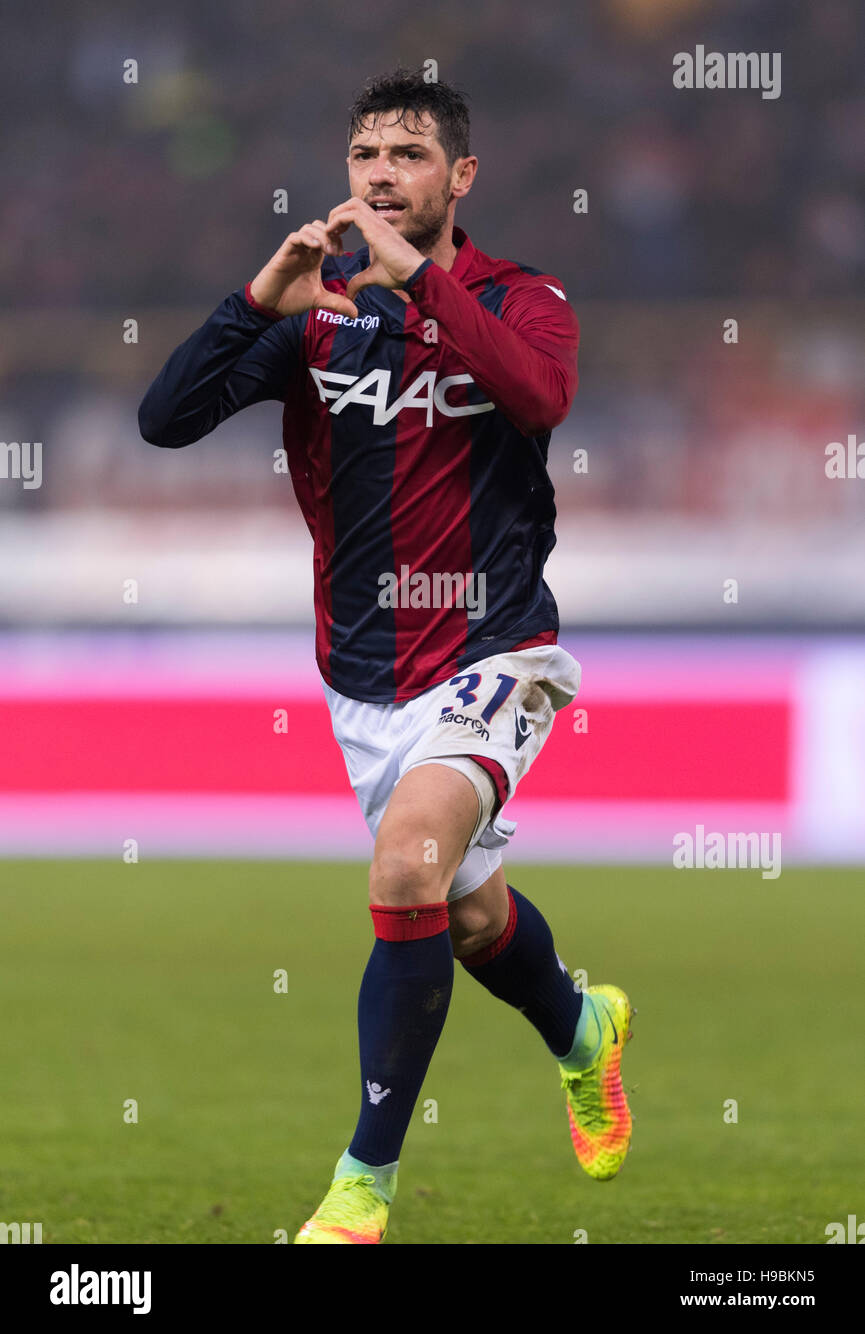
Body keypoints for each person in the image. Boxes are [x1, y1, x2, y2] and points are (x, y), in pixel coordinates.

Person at [138, 66, 634, 1245]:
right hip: (363, 679)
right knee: (465, 922)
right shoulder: (321, 310)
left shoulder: (524, 297)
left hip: (497, 649)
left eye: (407, 155)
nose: (378, 174)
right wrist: (255, 302)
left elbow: (538, 395)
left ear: (458, 177)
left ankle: (361, 1188)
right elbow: (165, 420)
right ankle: (582, 1029)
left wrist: (424, 284)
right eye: (366, 154)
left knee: (408, 866)